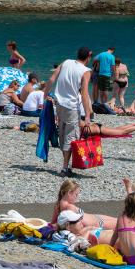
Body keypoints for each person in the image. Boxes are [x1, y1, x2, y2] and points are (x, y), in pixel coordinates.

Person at [43, 47, 94, 177]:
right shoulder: (86, 71)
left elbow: (51, 79)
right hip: (71, 107)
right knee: (71, 136)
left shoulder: (66, 62)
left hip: (59, 104)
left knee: (63, 133)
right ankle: (65, 168)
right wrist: (88, 114)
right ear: (88, 57)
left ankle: (66, 165)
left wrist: (45, 95)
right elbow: (84, 93)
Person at [51, 180, 117, 230]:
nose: (77, 197)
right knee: (122, 223)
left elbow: (53, 224)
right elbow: (68, 226)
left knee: (120, 221)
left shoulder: (57, 206)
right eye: (76, 194)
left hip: (96, 219)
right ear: (69, 193)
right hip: (98, 224)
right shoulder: (70, 207)